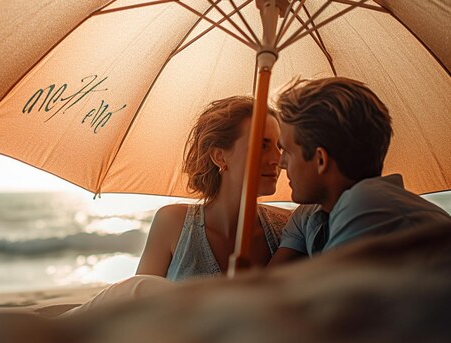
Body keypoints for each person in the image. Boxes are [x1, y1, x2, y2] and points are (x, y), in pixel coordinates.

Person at [269, 77, 451, 266]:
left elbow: (332, 291)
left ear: (320, 160)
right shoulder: (363, 203)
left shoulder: (366, 206)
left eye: (288, 151)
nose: (281, 163)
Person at [136, 96, 289, 280]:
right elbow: (138, 303)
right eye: (261, 145)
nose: (277, 159)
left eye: (280, 147)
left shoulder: (288, 227)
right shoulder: (173, 223)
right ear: (220, 157)